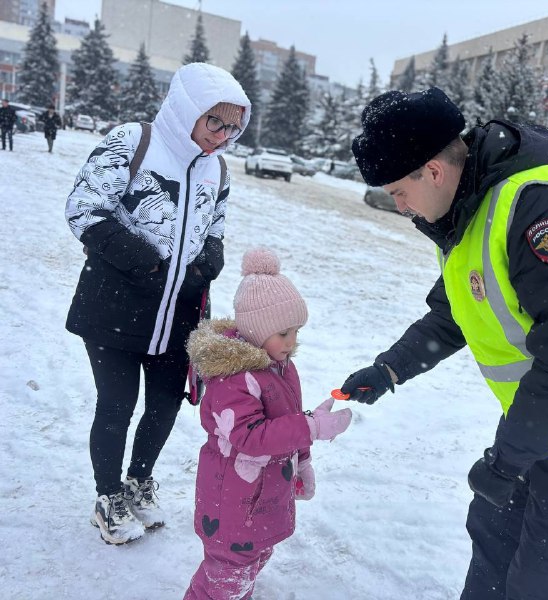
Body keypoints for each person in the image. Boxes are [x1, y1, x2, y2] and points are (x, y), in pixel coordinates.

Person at [340, 87, 548, 600]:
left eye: (398, 192)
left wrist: (507, 461)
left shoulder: (540, 208)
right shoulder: (464, 214)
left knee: (544, 577)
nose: (401, 207)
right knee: (493, 538)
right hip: (542, 411)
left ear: (432, 170)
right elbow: (454, 313)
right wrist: (388, 370)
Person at [64, 62, 251, 545]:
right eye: (216, 122)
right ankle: (108, 497)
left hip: (178, 316)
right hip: (116, 308)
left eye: (234, 127)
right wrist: (145, 260)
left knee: (164, 405)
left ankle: (139, 481)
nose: (223, 136)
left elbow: (216, 227)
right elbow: (83, 209)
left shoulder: (218, 168)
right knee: (117, 405)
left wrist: (210, 258)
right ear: (188, 110)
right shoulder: (135, 141)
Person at [183, 247, 353, 600]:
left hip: (264, 494)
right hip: (232, 499)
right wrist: (312, 427)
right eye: (283, 333)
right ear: (256, 330)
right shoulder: (234, 377)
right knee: (225, 578)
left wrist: (302, 461)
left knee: (255, 555)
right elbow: (250, 436)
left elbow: (289, 419)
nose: (292, 343)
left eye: (296, 332)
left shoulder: (282, 367)